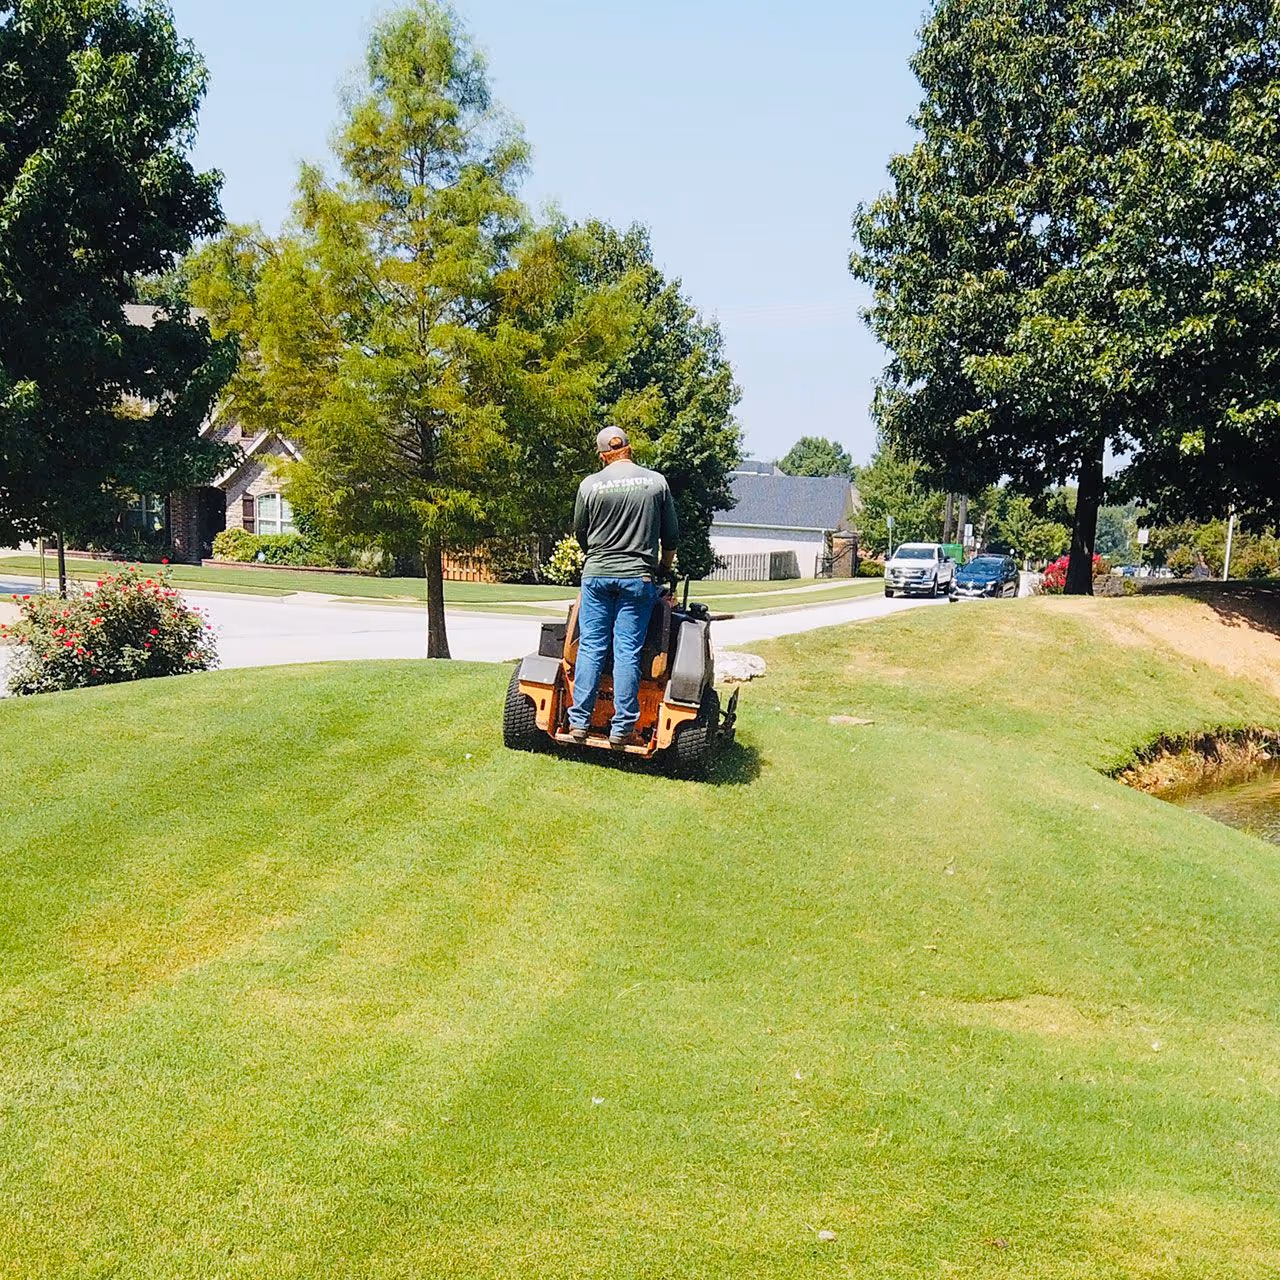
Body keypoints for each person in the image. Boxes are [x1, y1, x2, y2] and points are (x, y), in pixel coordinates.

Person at [568, 427, 679, 748]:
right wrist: (663, 568)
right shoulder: (655, 482)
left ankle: (579, 724)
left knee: (591, 646)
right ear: (629, 449)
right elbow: (670, 537)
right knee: (626, 651)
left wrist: (599, 555)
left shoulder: (590, 485)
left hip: (597, 575)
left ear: (603, 456)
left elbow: (581, 533)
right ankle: (621, 729)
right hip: (637, 577)